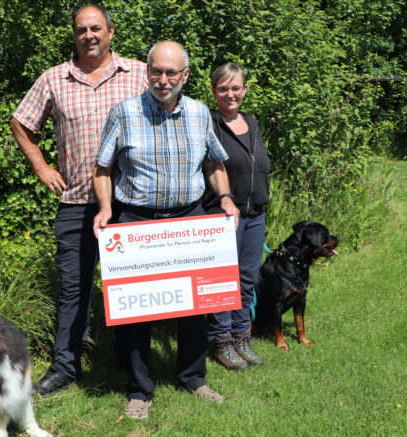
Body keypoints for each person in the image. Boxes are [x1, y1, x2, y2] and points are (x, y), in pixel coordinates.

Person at [92, 41, 240, 420]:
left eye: (171, 72)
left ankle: (194, 377)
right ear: (147, 72)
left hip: (187, 220)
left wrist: (225, 198)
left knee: (195, 307)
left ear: (184, 75)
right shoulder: (123, 113)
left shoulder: (200, 113)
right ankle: (140, 390)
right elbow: (104, 168)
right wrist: (106, 208)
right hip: (137, 221)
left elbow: (214, 163)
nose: (162, 79)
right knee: (137, 313)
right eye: (156, 71)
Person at [10, 4, 148, 396]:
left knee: (131, 285)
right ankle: (66, 366)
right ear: (74, 35)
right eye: (81, 30)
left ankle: (129, 357)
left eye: (95, 28)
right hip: (76, 203)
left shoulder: (139, 74)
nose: (89, 35)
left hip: (130, 200)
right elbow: (21, 122)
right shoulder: (54, 79)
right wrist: (42, 168)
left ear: (111, 31)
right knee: (74, 288)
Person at [202, 63, 271, 370]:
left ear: (245, 89)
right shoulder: (210, 123)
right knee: (222, 280)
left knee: (247, 277)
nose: (230, 94)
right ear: (214, 91)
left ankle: (243, 336)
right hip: (223, 214)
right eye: (223, 88)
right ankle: (221, 340)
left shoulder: (252, 122)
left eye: (235, 88)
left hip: (255, 213)